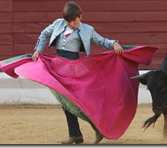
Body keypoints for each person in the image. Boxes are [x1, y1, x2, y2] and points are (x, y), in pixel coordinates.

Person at [31, 1, 124, 144]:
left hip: (74, 67)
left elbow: (101, 41)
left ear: (81, 16)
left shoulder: (87, 29)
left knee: (78, 102)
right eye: (69, 22)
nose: (72, 24)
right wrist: (38, 50)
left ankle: (98, 129)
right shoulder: (58, 23)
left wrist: (114, 43)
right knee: (65, 102)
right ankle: (75, 134)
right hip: (58, 66)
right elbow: (44, 34)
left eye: (74, 21)